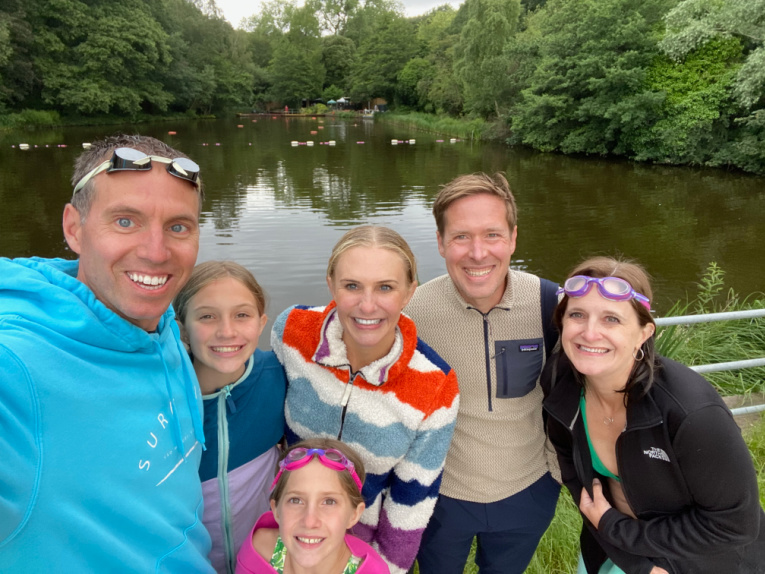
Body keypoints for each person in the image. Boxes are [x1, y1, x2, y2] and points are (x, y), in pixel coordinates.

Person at [0, 135, 214, 572]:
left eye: (178, 227)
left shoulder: (161, 326)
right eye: (125, 221)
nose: (156, 252)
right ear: (74, 229)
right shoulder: (17, 367)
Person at [541, 256, 765, 573]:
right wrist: (632, 558)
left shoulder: (691, 413)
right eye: (577, 314)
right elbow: (573, 468)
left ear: (644, 333)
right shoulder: (559, 381)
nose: (590, 333)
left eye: (611, 319)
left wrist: (620, 532)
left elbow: (734, 525)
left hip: (696, 562)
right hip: (611, 549)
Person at [270, 225, 459, 574]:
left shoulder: (434, 385)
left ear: (409, 291)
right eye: (352, 286)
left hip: (360, 552)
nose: (367, 305)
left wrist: (386, 568)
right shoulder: (291, 331)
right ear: (331, 284)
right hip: (288, 533)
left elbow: (413, 499)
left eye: (385, 287)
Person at [405, 172, 561, 574]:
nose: (478, 253)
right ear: (441, 242)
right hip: (440, 498)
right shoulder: (411, 313)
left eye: (492, 235)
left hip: (529, 490)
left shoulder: (552, 305)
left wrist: (556, 474)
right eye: (461, 236)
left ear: (513, 238)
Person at [174, 261, 288, 574]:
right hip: (188, 563)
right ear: (181, 328)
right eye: (207, 316)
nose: (226, 331)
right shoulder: (162, 397)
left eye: (242, 315)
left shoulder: (279, 377)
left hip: (262, 559)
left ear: (261, 323)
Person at [237, 438, 390, 573]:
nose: (309, 522)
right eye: (296, 500)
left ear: (354, 515)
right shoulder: (260, 552)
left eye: (329, 501)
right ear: (276, 510)